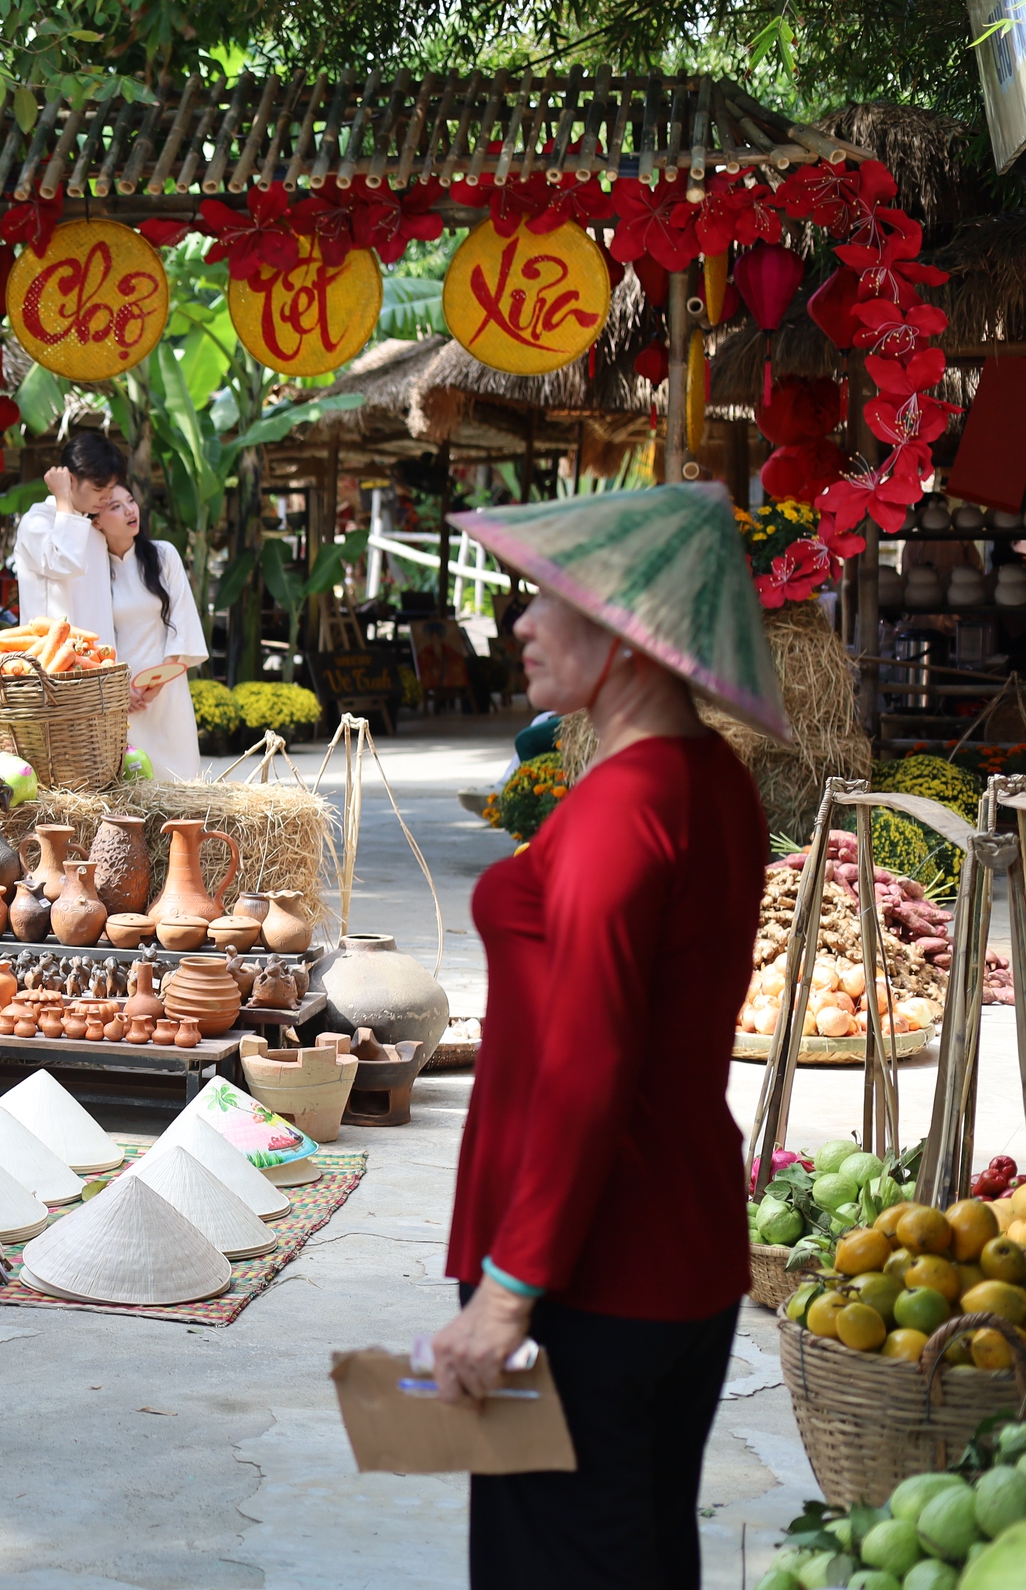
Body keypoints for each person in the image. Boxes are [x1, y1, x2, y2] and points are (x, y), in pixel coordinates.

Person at [429, 485, 777, 1588]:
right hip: (686, 1255)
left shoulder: (619, 814)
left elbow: (587, 1073)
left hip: (591, 1273)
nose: (519, 625)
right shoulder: (713, 785)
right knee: (639, 1555)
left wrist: (508, 1290)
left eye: (547, 601)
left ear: (628, 634)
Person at [89, 483, 210, 779]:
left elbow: (183, 622)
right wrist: (120, 691)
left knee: (180, 783)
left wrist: (158, 683)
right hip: (121, 698)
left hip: (168, 690)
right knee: (133, 788)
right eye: (115, 506)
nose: (130, 510)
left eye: (130, 500)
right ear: (96, 521)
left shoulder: (163, 555)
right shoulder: (93, 571)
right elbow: (93, 638)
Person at [9, 430, 129, 640]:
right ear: (70, 480)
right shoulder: (36, 521)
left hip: (98, 657)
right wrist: (62, 496)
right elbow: (64, 563)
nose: (107, 497)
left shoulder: (93, 528)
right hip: (51, 661)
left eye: (111, 488)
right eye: (98, 488)